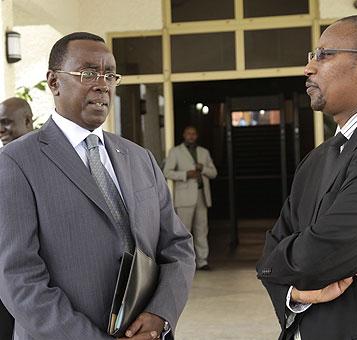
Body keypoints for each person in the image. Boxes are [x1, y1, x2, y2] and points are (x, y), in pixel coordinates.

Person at [0, 32, 195, 340]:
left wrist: (160, 315)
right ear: (54, 82)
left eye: (109, 75)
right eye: (88, 73)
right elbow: (17, 278)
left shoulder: (139, 157)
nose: (102, 84)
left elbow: (177, 247)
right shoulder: (16, 162)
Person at [257, 15, 357, 340]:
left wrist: (282, 263)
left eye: (324, 55)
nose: (309, 68)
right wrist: (295, 294)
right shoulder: (317, 158)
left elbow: (320, 253)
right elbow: (270, 251)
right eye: (311, 56)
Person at [0, 97, 33, 339]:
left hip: (36, 281)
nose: (0, 130)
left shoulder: (50, 159)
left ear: (28, 120)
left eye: (6, 123)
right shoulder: (4, 160)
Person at [164, 126, 217, 270]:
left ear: (197, 135)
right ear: (184, 135)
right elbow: (167, 172)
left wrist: (203, 168)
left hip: (202, 196)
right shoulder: (175, 152)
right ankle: (186, 262)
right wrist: (185, 175)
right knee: (184, 231)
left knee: (202, 230)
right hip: (184, 196)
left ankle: (202, 261)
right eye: (189, 133)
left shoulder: (203, 152)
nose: (191, 136)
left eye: (194, 134)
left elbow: (213, 173)